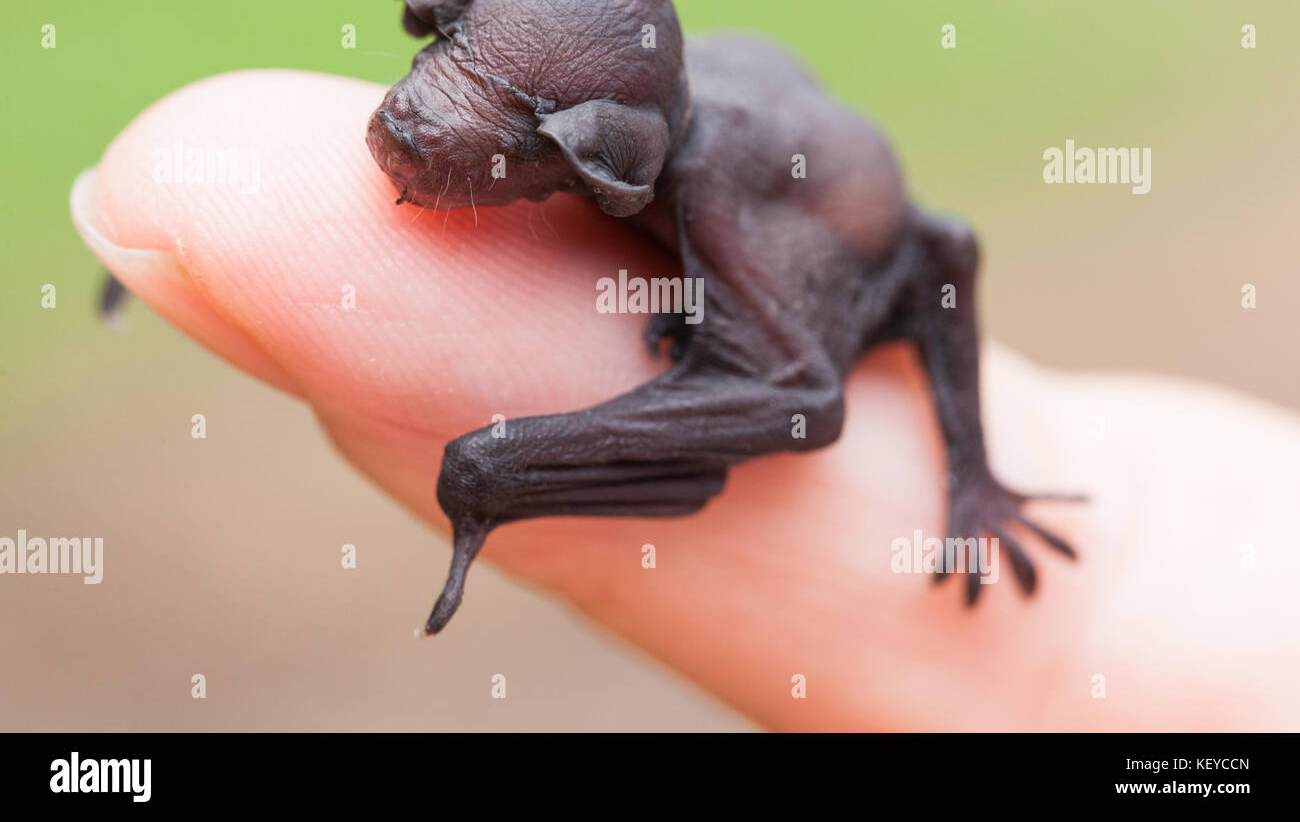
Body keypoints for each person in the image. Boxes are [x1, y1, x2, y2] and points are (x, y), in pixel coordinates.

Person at [72, 70, 1300, 731]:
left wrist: (972, 475)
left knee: (777, 377)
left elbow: (834, 362)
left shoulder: (706, 194)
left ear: (601, 156)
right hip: (757, 180)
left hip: (828, 269)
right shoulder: (614, 120)